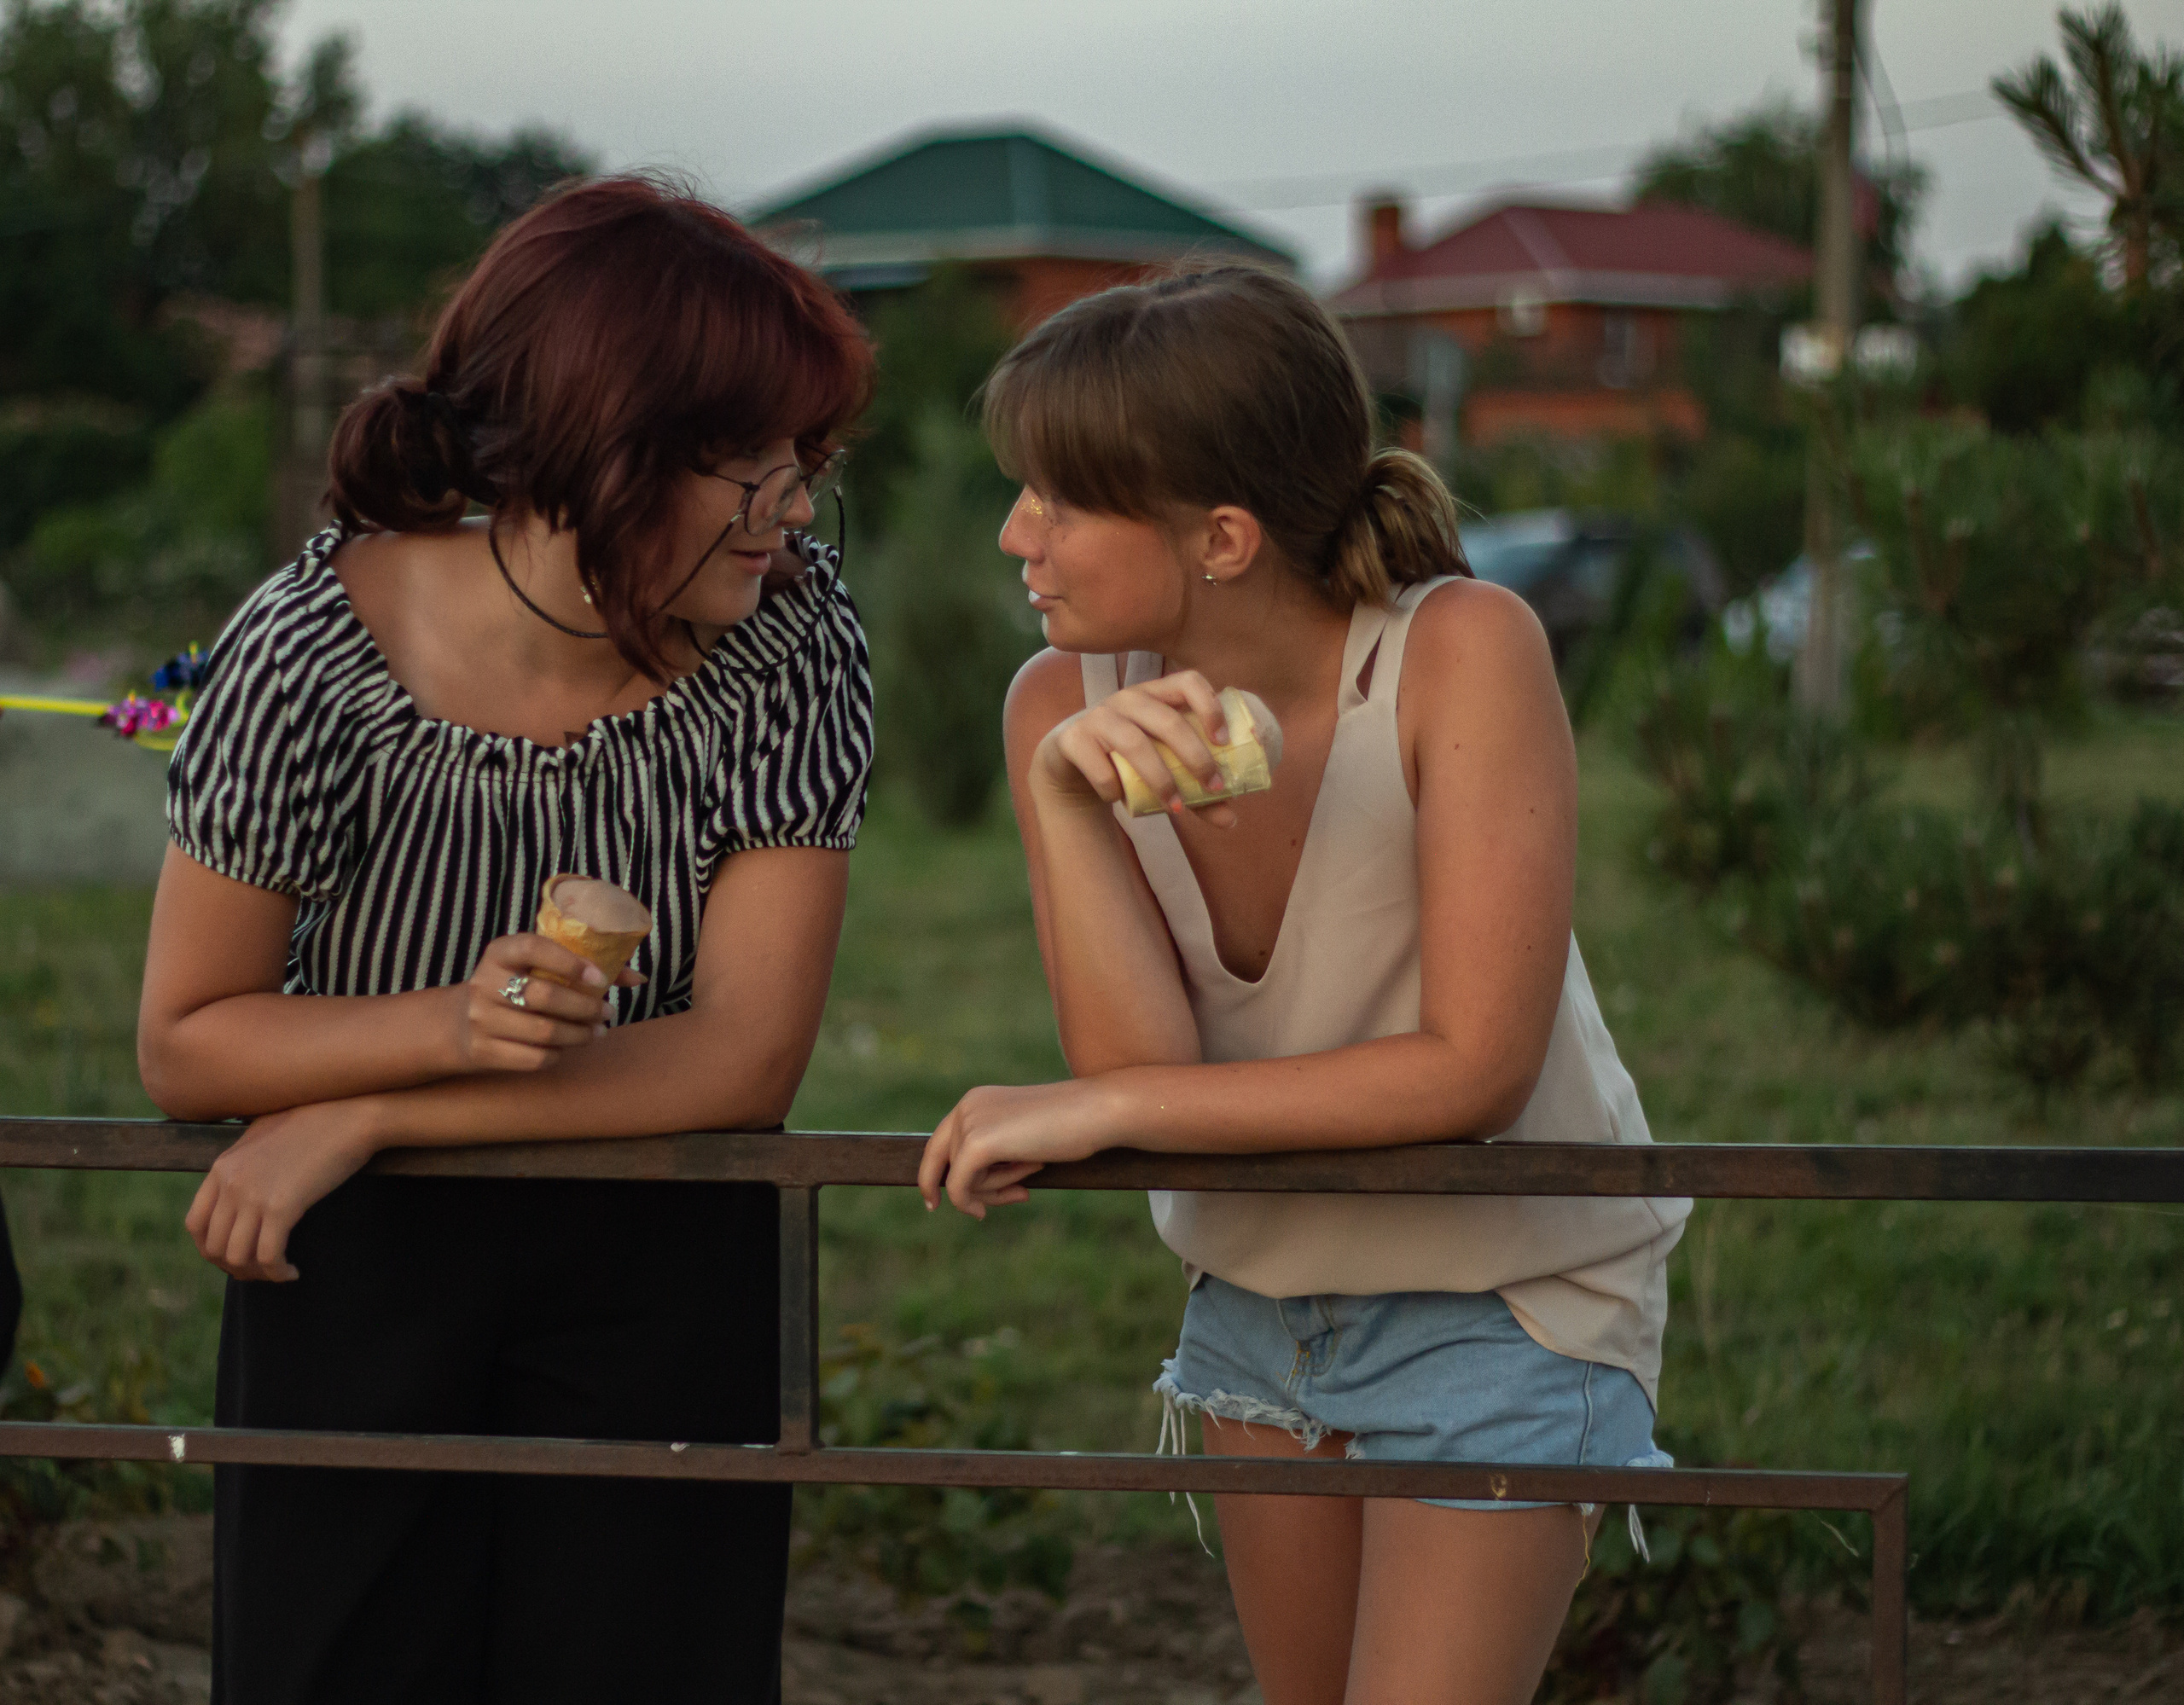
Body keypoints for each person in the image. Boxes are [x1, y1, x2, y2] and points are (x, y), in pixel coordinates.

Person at [136, 175, 874, 1705]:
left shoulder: (795, 637)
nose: (795, 509)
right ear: (607, 447)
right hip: (347, 1267)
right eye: (752, 463)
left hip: (664, 1241)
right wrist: (441, 1026)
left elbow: (743, 1055)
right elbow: (187, 1035)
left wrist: (366, 1105)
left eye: (807, 462)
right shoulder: (307, 647)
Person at [919, 267, 1690, 1705]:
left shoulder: (1459, 651)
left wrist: (1096, 1110)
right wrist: (1066, 802)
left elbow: (1476, 1071)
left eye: (1061, 499)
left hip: (1506, 1295)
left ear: (1220, 536)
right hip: (1261, 1304)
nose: (1018, 535)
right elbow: (1138, 1071)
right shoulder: (1061, 706)